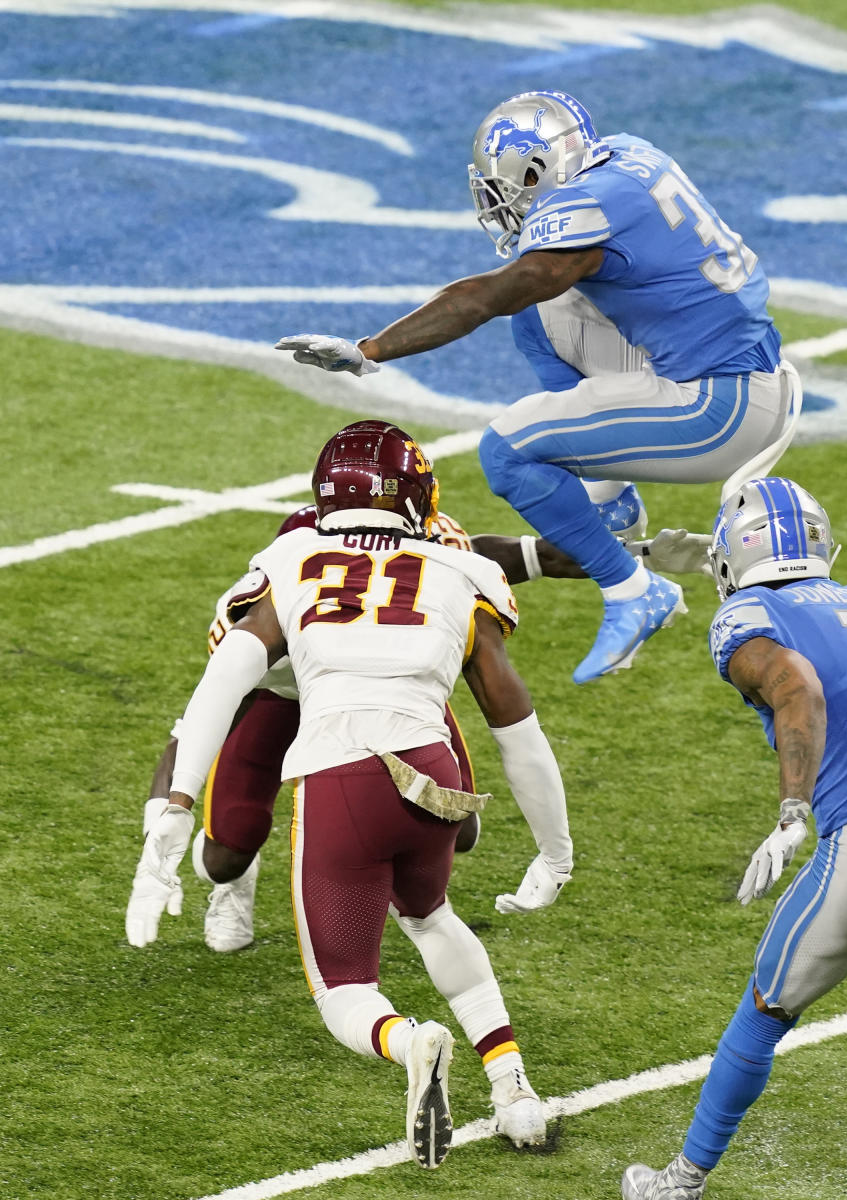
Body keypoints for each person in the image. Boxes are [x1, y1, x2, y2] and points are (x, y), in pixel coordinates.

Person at [127, 419, 577, 1170]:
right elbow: (517, 728)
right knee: (431, 918)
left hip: (339, 767)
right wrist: (556, 853)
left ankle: (411, 1042)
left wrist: (173, 807)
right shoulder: (454, 569)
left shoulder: (292, 560)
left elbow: (221, 681)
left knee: (345, 988)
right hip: (428, 765)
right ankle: (513, 1088)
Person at [274, 90, 800, 685]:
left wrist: (369, 350)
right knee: (537, 312)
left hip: (721, 405)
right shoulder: (628, 156)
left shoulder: (587, 208)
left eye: (507, 185)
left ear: (535, 169)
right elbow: (524, 291)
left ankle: (632, 591)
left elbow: (483, 296)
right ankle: (611, 500)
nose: (500, 204)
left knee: (507, 452)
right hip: (734, 367)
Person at [128, 495, 711, 957]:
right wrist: (165, 823)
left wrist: (635, 557)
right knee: (226, 851)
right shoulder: (266, 607)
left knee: (456, 830)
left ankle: (368, 876)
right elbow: (198, 720)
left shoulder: (432, 553)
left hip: (389, 692)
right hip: (281, 699)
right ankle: (236, 880)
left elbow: (514, 555)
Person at [621, 477, 847, 1200]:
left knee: (764, 1014)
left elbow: (797, 685)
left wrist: (791, 814)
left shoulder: (748, 611)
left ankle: (680, 1183)